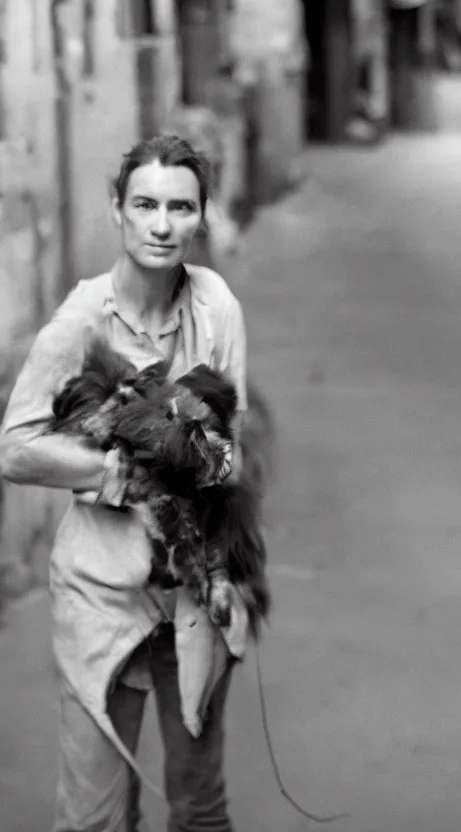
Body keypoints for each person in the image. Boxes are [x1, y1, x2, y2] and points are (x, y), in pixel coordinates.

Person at [0, 134, 250, 832]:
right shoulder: (81, 321)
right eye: (145, 204)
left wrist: (211, 468)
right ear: (118, 210)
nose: (163, 224)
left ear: (202, 215)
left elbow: (236, 447)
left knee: (200, 804)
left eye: (181, 206)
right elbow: (15, 450)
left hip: (194, 590)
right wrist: (121, 471)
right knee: (95, 818)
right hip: (102, 597)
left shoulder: (217, 307)